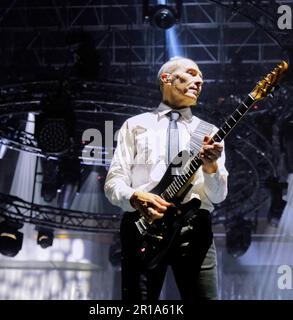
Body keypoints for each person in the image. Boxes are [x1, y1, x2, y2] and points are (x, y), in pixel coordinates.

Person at [104, 57, 228, 301]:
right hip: (144, 227)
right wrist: (134, 196)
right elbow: (113, 182)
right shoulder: (135, 125)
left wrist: (211, 166)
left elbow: (218, 195)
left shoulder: (209, 132)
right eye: (191, 73)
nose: (199, 80)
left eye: (201, 77)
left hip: (195, 228)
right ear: (166, 78)